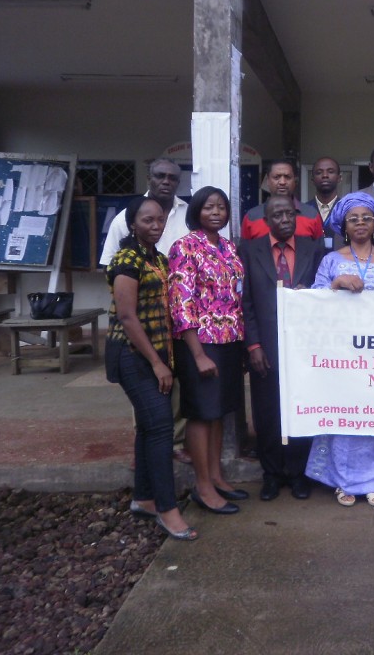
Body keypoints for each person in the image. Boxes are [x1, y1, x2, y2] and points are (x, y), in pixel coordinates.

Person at [306, 192, 374, 507]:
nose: (361, 223)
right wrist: (335, 284)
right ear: (344, 225)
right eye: (354, 219)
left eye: (367, 217)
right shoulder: (331, 260)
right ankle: (343, 482)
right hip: (342, 355)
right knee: (345, 416)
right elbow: (313, 302)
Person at [104, 196, 197, 541]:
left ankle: (144, 498)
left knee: (147, 427)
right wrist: (158, 364)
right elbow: (128, 317)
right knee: (160, 429)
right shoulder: (127, 259)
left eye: (159, 220)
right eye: (147, 220)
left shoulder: (157, 258)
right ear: (132, 224)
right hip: (133, 355)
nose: (155, 226)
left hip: (156, 352)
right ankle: (167, 508)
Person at [99, 156, 192, 467]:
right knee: (149, 393)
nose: (166, 181)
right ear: (150, 177)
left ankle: (173, 442)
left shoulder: (186, 213)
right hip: (139, 326)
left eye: (172, 177)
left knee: (173, 387)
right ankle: (149, 444)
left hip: (173, 319)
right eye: (160, 175)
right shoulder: (125, 220)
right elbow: (111, 268)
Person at [240, 196, 325, 502]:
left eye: (290, 213)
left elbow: (326, 293)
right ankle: (272, 474)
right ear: (266, 220)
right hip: (265, 345)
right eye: (278, 214)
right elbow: (245, 302)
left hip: (304, 347)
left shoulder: (314, 249)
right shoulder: (250, 250)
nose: (286, 219)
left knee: (301, 409)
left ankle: (299, 473)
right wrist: (253, 345)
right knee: (268, 413)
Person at [168, 186, 247, 516]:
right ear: (196, 211)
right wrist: (198, 354)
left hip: (229, 341)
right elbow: (181, 303)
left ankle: (216, 476)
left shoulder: (228, 247)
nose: (216, 212)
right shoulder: (184, 247)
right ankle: (202, 486)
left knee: (219, 411)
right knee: (201, 412)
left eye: (222, 207)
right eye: (209, 207)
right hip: (200, 343)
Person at [241, 159, 323, 242]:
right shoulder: (252, 217)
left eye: (287, 177)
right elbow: (245, 252)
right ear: (267, 181)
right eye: (276, 177)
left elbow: (319, 252)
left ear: (295, 181)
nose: (282, 182)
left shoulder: (311, 215)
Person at [305, 156, 342, 250]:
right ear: (312, 179)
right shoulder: (303, 211)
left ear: (339, 178)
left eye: (330, 171)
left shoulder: (347, 210)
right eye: (319, 172)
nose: (325, 175)